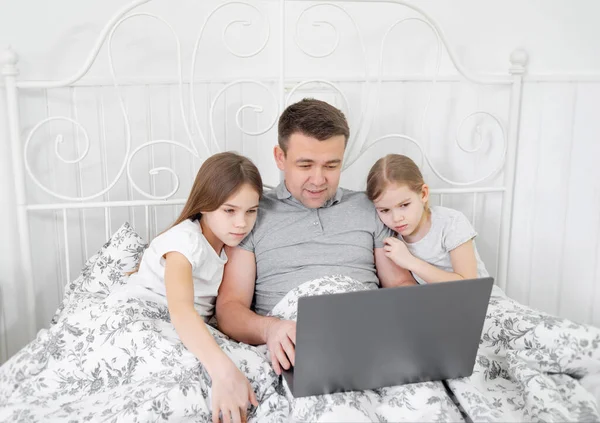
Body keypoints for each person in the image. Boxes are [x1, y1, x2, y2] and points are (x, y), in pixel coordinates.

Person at [216, 99, 415, 376]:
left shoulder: (370, 208)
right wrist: (270, 328)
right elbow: (228, 309)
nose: (319, 179)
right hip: (298, 349)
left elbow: (400, 285)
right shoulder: (250, 214)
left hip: (369, 341)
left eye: (331, 166)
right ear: (280, 157)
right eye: (306, 165)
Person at [127, 152, 262, 423]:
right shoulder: (184, 244)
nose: (241, 223)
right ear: (205, 205)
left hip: (186, 324)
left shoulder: (231, 244)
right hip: (150, 317)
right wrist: (224, 371)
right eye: (229, 210)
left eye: (251, 211)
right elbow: (181, 311)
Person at [366, 153, 489, 285]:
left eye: (404, 205)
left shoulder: (451, 223)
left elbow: (468, 286)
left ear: (423, 194)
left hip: (482, 299)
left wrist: (411, 262)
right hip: (436, 303)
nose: (396, 218)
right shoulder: (388, 235)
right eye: (385, 210)